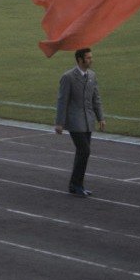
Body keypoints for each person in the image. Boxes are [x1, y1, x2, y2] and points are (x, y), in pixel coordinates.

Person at [54, 47, 105, 196]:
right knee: (84, 151)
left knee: (83, 153)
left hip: (88, 120)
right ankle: (76, 184)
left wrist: (100, 117)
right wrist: (59, 122)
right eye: (88, 58)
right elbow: (62, 100)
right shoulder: (68, 77)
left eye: (91, 57)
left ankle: (77, 185)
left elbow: (96, 98)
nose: (91, 60)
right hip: (75, 121)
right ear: (79, 60)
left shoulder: (92, 76)